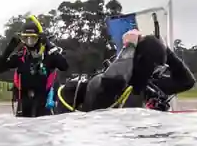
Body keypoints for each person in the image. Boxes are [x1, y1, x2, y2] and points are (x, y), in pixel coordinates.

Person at [47, 35, 182, 113]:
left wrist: (166, 51)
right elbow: (112, 78)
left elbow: (187, 81)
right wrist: (130, 47)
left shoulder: (151, 86)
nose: (154, 71)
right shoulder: (104, 84)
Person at [0, 15, 68, 118]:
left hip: (44, 103)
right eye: (26, 38)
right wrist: (8, 50)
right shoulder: (20, 56)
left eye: (33, 38)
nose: (29, 42)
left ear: (39, 38)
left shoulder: (48, 55)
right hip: (24, 103)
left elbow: (64, 66)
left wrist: (49, 45)